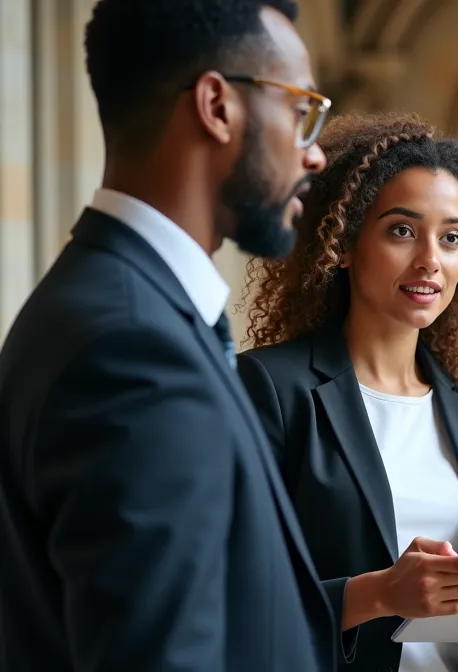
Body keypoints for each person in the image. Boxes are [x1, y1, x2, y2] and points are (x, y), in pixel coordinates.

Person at [0, 0, 337, 669]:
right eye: (300, 112)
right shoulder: (133, 351)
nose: (316, 152)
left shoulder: (114, 308)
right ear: (217, 105)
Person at [236, 112, 458, 672]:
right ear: (341, 243)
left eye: (452, 238)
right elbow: (236, 593)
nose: (431, 260)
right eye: (402, 230)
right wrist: (379, 594)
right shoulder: (270, 388)